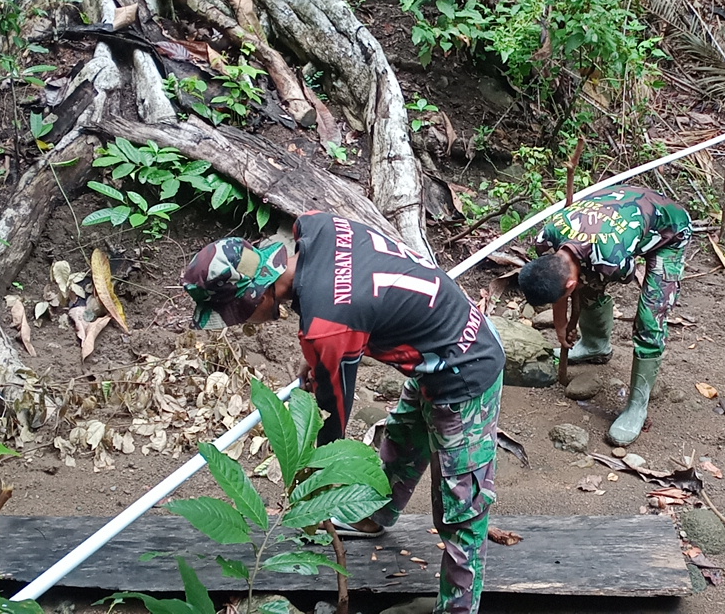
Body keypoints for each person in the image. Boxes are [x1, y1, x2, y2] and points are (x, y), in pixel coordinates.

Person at [182, 212, 505, 614]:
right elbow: (349, 306)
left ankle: (458, 608)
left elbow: (331, 422)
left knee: (461, 510)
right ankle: (376, 515)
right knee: (404, 435)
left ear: (255, 296)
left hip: (466, 370)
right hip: (436, 346)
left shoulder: (325, 323)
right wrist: (321, 361)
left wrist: (311, 487)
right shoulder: (315, 227)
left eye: (237, 315)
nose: (243, 324)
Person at [516, 186, 691, 447]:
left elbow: (616, 276)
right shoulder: (546, 237)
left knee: (650, 318)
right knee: (588, 282)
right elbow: (564, 282)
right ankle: (596, 345)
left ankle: (637, 407)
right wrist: (561, 328)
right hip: (618, 215)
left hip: (670, 230)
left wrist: (577, 292)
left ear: (567, 286)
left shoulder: (611, 260)